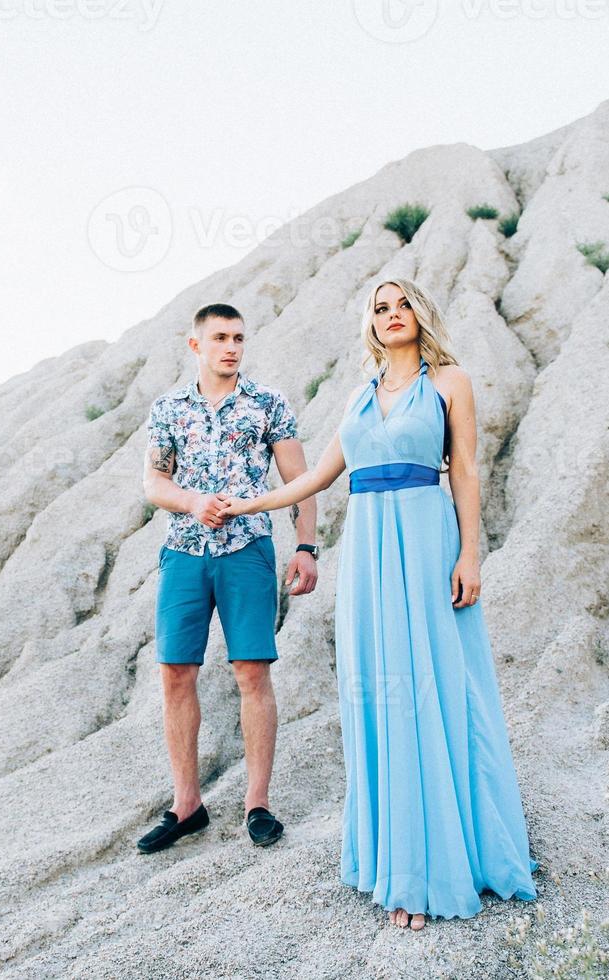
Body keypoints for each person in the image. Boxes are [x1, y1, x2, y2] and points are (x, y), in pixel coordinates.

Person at [218, 279, 539, 929]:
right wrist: (250, 505)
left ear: (421, 315)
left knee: (434, 693)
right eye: (380, 307)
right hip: (367, 562)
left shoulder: (451, 383)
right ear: (370, 323)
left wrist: (470, 555)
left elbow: (468, 472)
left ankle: (438, 867)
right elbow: (314, 478)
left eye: (402, 305)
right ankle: (397, 865)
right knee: (382, 703)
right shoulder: (359, 397)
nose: (392, 315)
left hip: (425, 549)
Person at [137, 302, 319, 854]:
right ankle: (187, 805)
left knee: (251, 672)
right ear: (196, 345)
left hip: (248, 550)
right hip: (184, 552)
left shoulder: (268, 403)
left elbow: (301, 479)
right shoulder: (168, 408)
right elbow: (154, 482)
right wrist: (193, 503)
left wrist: (307, 546)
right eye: (220, 337)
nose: (232, 347)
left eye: (239, 337)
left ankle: (257, 804)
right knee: (174, 674)